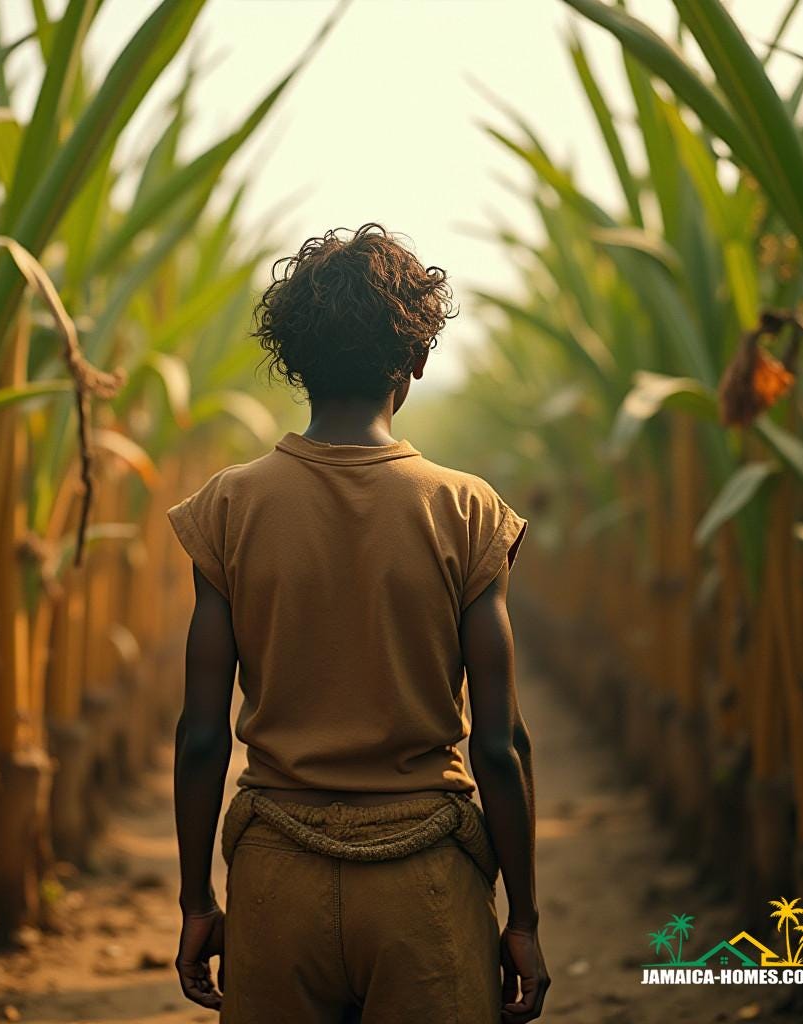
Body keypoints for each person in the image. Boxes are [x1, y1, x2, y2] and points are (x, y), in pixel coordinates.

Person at [168, 222, 548, 1023]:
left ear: (294, 362)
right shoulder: (467, 511)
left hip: (275, 878)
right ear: (416, 361)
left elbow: (201, 734)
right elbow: (500, 743)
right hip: (426, 881)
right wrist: (523, 918)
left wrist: (196, 899)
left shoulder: (228, 507)